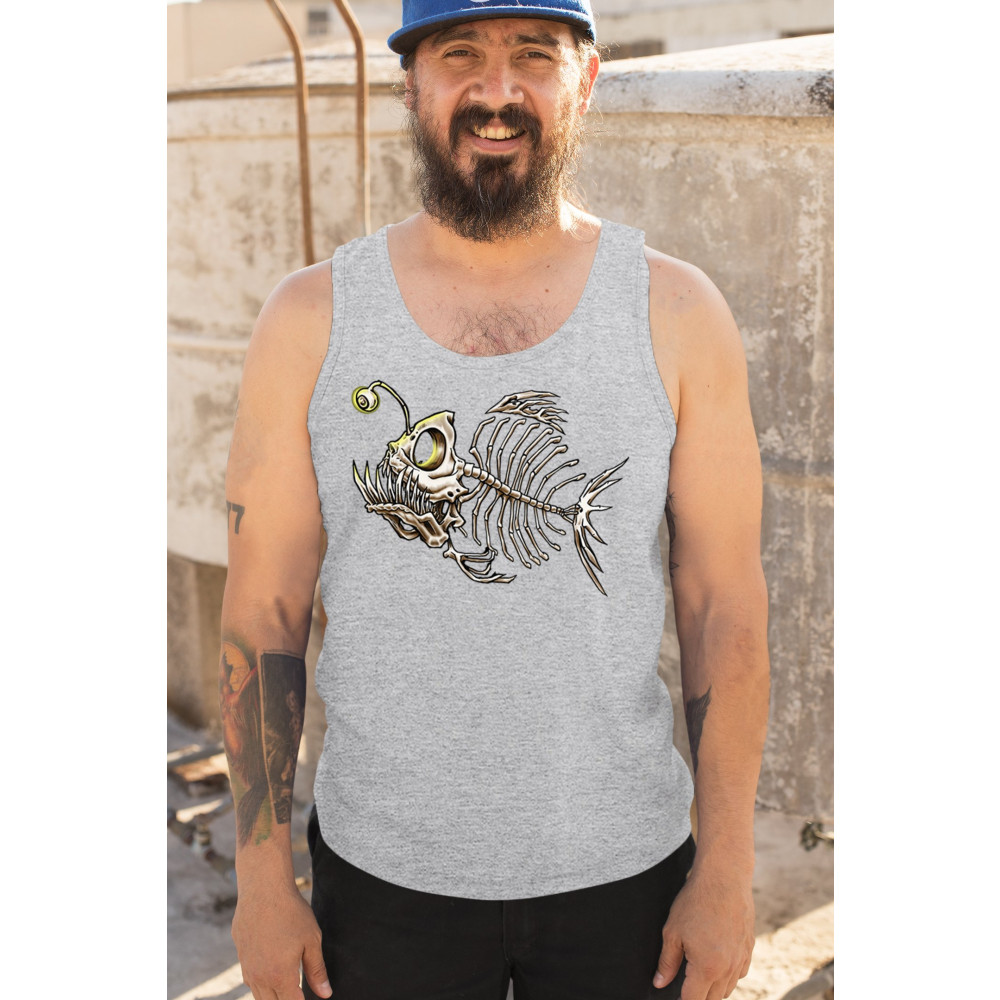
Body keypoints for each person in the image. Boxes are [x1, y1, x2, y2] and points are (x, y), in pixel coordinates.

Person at [219, 0, 770, 997]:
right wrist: (261, 883)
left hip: (628, 880)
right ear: (412, 83)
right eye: (460, 53)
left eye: (533, 55)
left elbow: (723, 605)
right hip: (381, 882)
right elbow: (264, 612)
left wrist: (726, 870)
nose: (497, 90)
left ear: (586, 79)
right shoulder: (309, 320)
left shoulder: (678, 311)